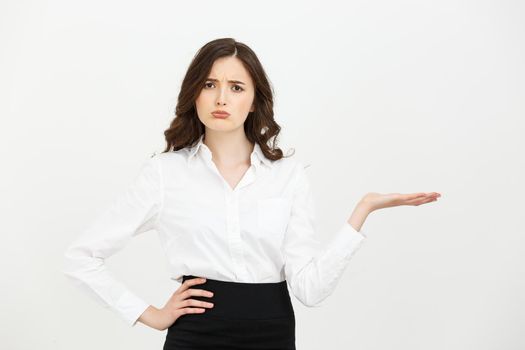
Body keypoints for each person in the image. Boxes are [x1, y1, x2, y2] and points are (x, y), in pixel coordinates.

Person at [62, 37, 441, 350]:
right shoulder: (165, 174)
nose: (221, 98)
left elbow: (309, 289)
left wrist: (363, 211)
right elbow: (81, 256)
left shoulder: (287, 176)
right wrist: (150, 314)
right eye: (209, 85)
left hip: (271, 334)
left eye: (236, 87)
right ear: (194, 94)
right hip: (196, 337)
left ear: (254, 99)